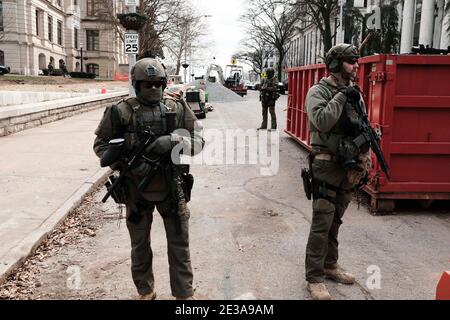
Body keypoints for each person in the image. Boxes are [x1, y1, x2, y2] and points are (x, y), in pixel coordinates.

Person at [93, 58, 204, 300]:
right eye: (146, 84)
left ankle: (184, 294)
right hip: (136, 188)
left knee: (179, 245)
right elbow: (101, 146)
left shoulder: (175, 107)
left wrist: (175, 141)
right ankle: (146, 291)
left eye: (158, 84)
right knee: (140, 245)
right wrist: (123, 163)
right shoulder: (121, 111)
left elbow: (199, 143)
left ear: (164, 83)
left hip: (172, 187)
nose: (153, 89)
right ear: (136, 84)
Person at [304, 44, 372, 300]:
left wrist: (366, 154)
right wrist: (343, 95)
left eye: (357, 61)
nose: (356, 66)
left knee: (336, 221)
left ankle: (330, 265)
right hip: (326, 165)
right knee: (322, 223)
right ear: (335, 64)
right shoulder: (318, 91)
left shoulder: (356, 93)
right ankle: (314, 277)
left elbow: (361, 126)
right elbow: (321, 121)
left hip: (348, 166)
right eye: (350, 61)